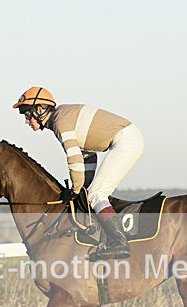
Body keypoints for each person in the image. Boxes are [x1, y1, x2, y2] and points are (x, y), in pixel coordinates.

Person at [12, 86, 145, 260]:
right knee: (91, 194)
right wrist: (82, 188)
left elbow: (74, 158)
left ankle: (119, 242)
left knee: (97, 195)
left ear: (40, 109)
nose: (26, 121)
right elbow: (88, 155)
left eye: (27, 114)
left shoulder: (60, 122)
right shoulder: (60, 118)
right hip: (127, 138)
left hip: (126, 141)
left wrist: (76, 189)